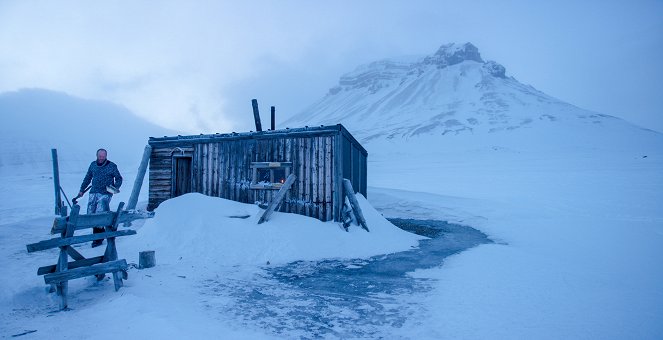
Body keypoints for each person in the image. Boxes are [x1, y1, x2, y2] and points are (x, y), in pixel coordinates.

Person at [79, 148, 123, 247]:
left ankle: (98, 239)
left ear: (106, 156)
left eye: (103, 156)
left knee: (100, 213)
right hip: (93, 191)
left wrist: (115, 188)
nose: (101, 158)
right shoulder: (93, 165)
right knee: (91, 214)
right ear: (97, 156)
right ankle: (102, 232)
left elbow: (119, 178)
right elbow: (88, 177)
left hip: (105, 193)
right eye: (100, 156)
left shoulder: (112, 166)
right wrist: (82, 189)